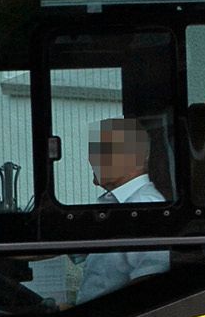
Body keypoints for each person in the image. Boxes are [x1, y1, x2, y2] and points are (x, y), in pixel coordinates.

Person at [60, 116, 173, 303]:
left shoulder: (145, 208)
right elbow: (71, 243)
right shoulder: (116, 205)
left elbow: (150, 286)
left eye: (100, 152)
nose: (91, 159)